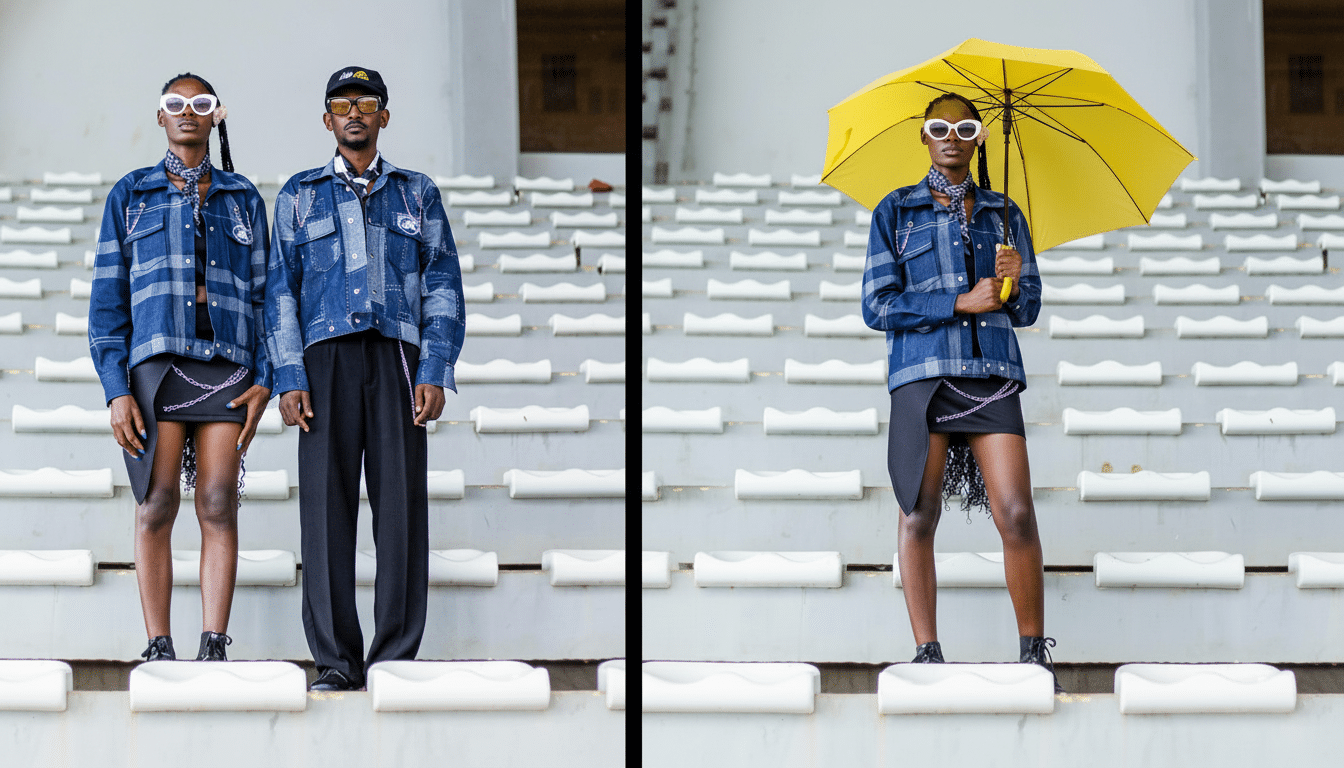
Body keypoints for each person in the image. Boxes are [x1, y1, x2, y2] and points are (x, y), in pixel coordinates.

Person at [266, 66, 465, 691]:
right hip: (323, 361)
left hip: (397, 358)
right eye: (342, 103)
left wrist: (435, 366)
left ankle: (394, 657)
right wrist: (288, 374)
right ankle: (335, 661)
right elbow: (280, 290)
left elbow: (442, 282)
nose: (354, 112)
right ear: (327, 119)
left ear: (384, 115)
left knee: (400, 509)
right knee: (325, 511)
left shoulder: (416, 193)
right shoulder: (299, 195)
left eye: (367, 102)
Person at [861, 92, 1060, 691]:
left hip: (991, 373)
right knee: (919, 513)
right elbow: (877, 306)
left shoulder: (1005, 214)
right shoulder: (896, 211)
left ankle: (1033, 654)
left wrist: (1014, 282)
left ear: (978, 138)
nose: (952, 136)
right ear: (924, 136)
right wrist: (958, 302)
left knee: (1016, 512)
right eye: (939, 127)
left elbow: (1026, 310)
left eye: (965, 128)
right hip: (923, 377)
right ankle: (927, 653)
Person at [89, 73, 272, 663]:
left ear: (216, 115)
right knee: (157, 502)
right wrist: (116, 390)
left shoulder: (243, 197)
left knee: (217, 501)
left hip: (227, 364)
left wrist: (266, 377)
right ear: (161, 116)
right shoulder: (130, 194)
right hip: (157, 367)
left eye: (200, 103)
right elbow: (107, 302)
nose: (187, 111)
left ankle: (214, 643)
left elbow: (267, 297)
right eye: (175, 103)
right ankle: (158, 644)